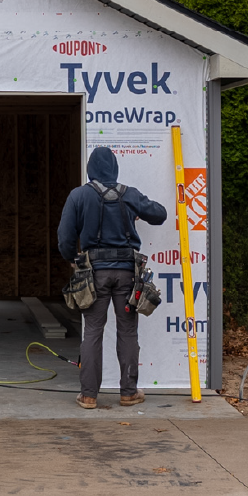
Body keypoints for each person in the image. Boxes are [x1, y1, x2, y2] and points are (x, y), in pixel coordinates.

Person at [57, 146, 168, 409]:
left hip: (93, 274)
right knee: (127, 330)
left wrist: (72, 259)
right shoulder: (129, 194)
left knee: (93, 331)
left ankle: (88, 396)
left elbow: (64, 238)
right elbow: (160, 214)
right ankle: (128, 392)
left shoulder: (79, 195)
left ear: (90, 169)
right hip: (128, 275)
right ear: (115, 168)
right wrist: (135, 211)